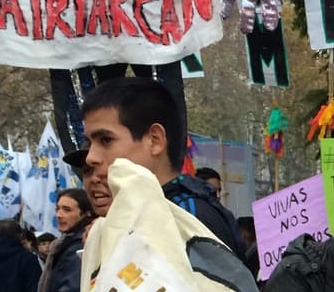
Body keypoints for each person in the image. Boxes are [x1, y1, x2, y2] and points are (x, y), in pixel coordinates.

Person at [81, 77, 247, 263]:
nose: (90, 157)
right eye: (89, 143)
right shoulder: (146, 215)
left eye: (105, 140)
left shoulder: (188, 220)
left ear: (155, 140)